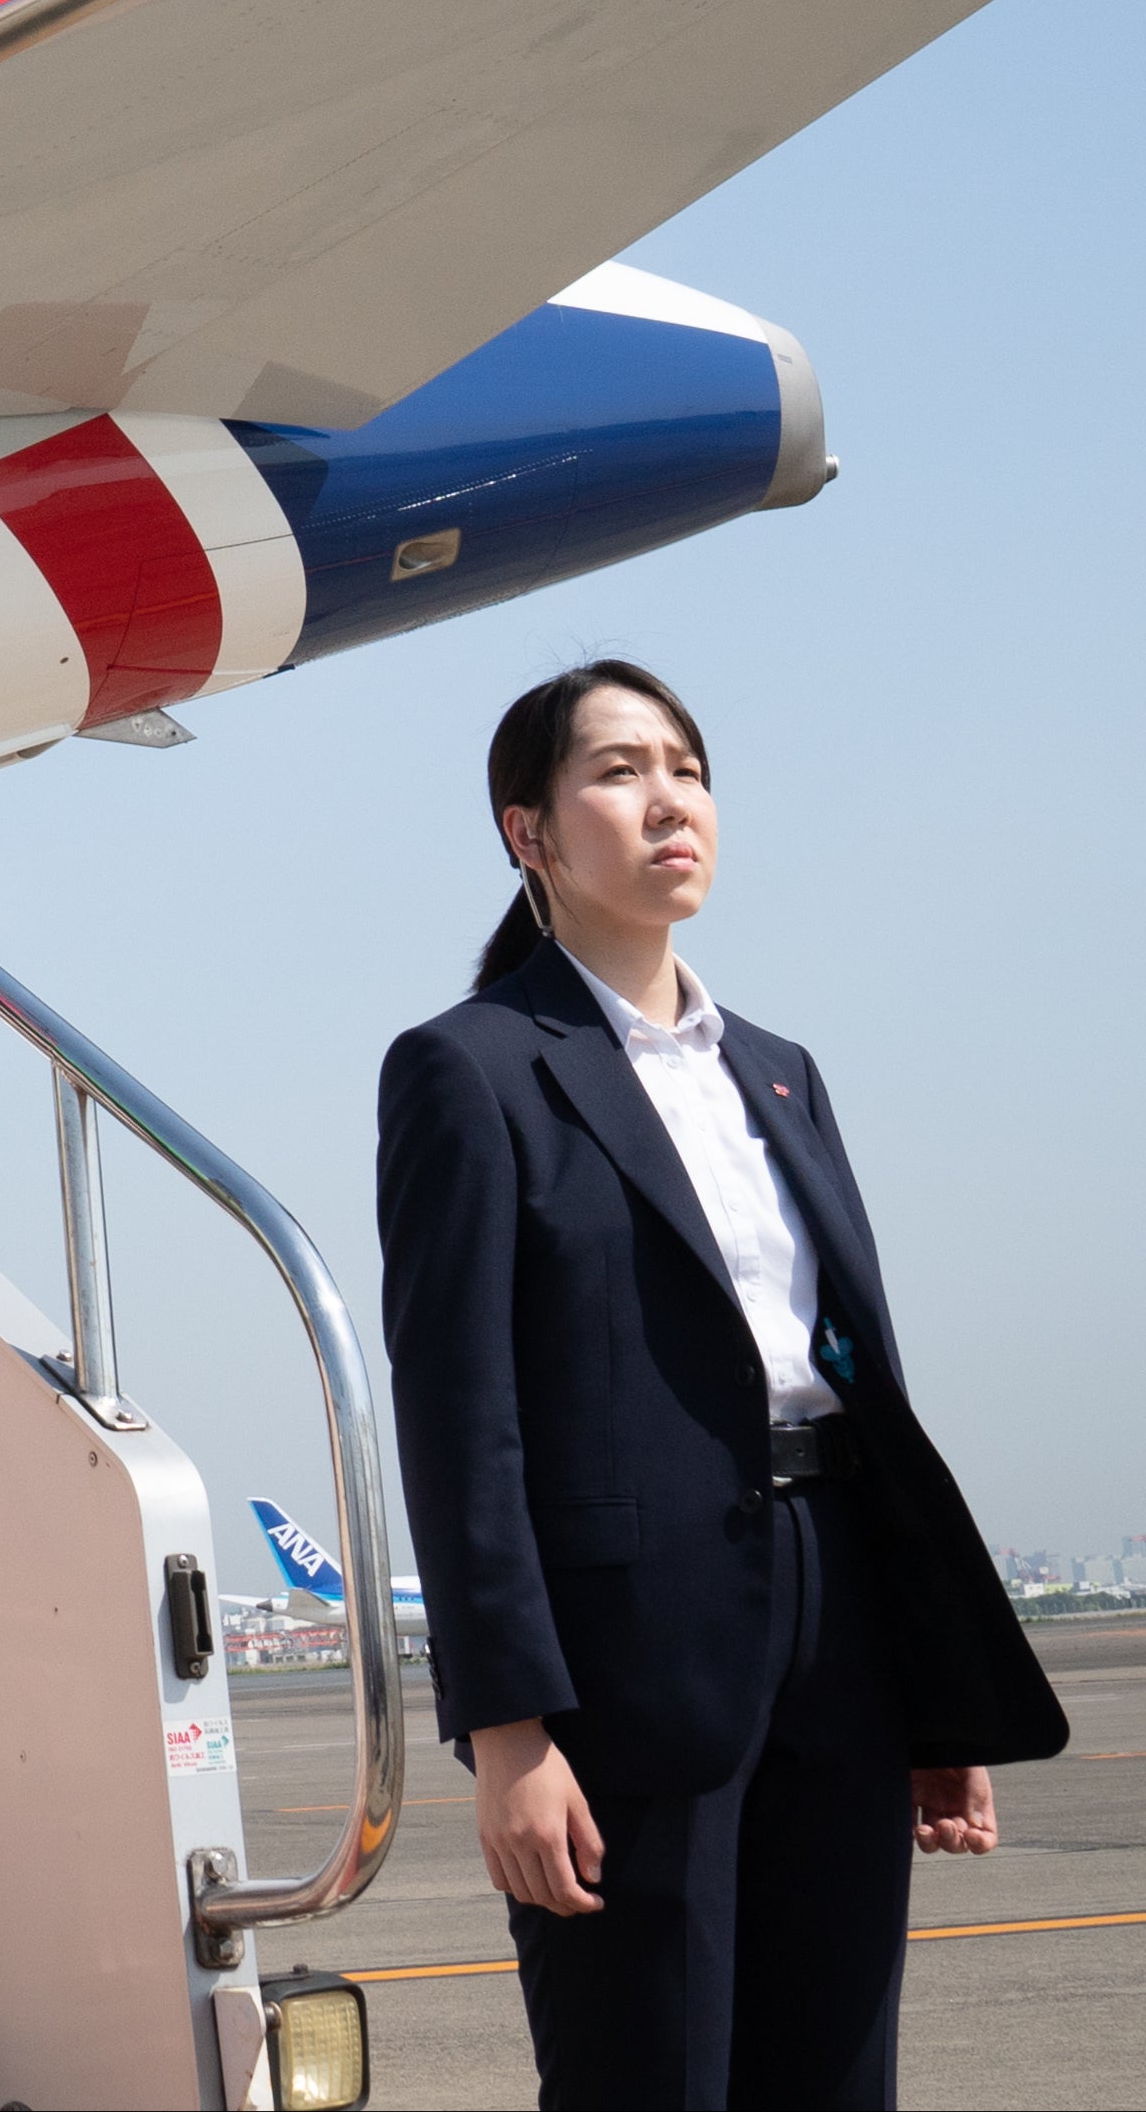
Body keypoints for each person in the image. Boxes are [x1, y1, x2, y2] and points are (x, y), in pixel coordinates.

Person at [376, 659, 1063, 2111]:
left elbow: (861, 1388)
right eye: (618, 769)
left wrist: (931, 1703)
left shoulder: (783, 1071)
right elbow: (458, 1418)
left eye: (687, 765)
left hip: (843, 1627)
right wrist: (509, 1734)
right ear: (531, 833)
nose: (669, 797)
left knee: (837, 2074)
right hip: (630, 1659)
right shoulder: (474, 1068)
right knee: (651, 2074)